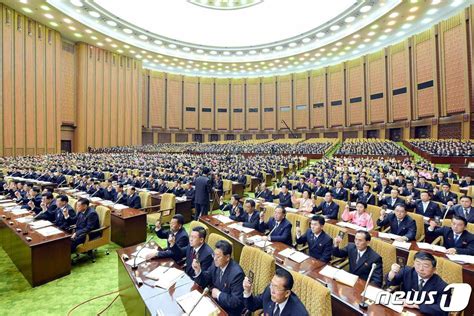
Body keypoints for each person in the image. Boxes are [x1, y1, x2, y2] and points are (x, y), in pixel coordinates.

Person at [385, 251, 450, 315]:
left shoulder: (443, 287)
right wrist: (392, 273)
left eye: (425, 266)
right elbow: (391, 282)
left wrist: (417, 305)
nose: (421, 269)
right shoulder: (407, 271)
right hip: (403, 310)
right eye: (418, 264)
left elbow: (443, 310)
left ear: (434, 270)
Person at [192, 240, 245, 316]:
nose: (215, 258)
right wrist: (198, 271)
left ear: (227, 257)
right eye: (214, 255)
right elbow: (206, 279)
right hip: (214, 304)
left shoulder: (237, 274)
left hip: (228, 311)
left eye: (218, 256)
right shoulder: (216, 264)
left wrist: (219, 294)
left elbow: (236, 301)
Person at [243, 268, 309, 316]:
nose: (272, 291)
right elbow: (252, 306)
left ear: (287, 293)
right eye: (272, 284)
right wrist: (247, 291)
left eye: (276, 288)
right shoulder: (269, 291)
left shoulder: (299, 313)